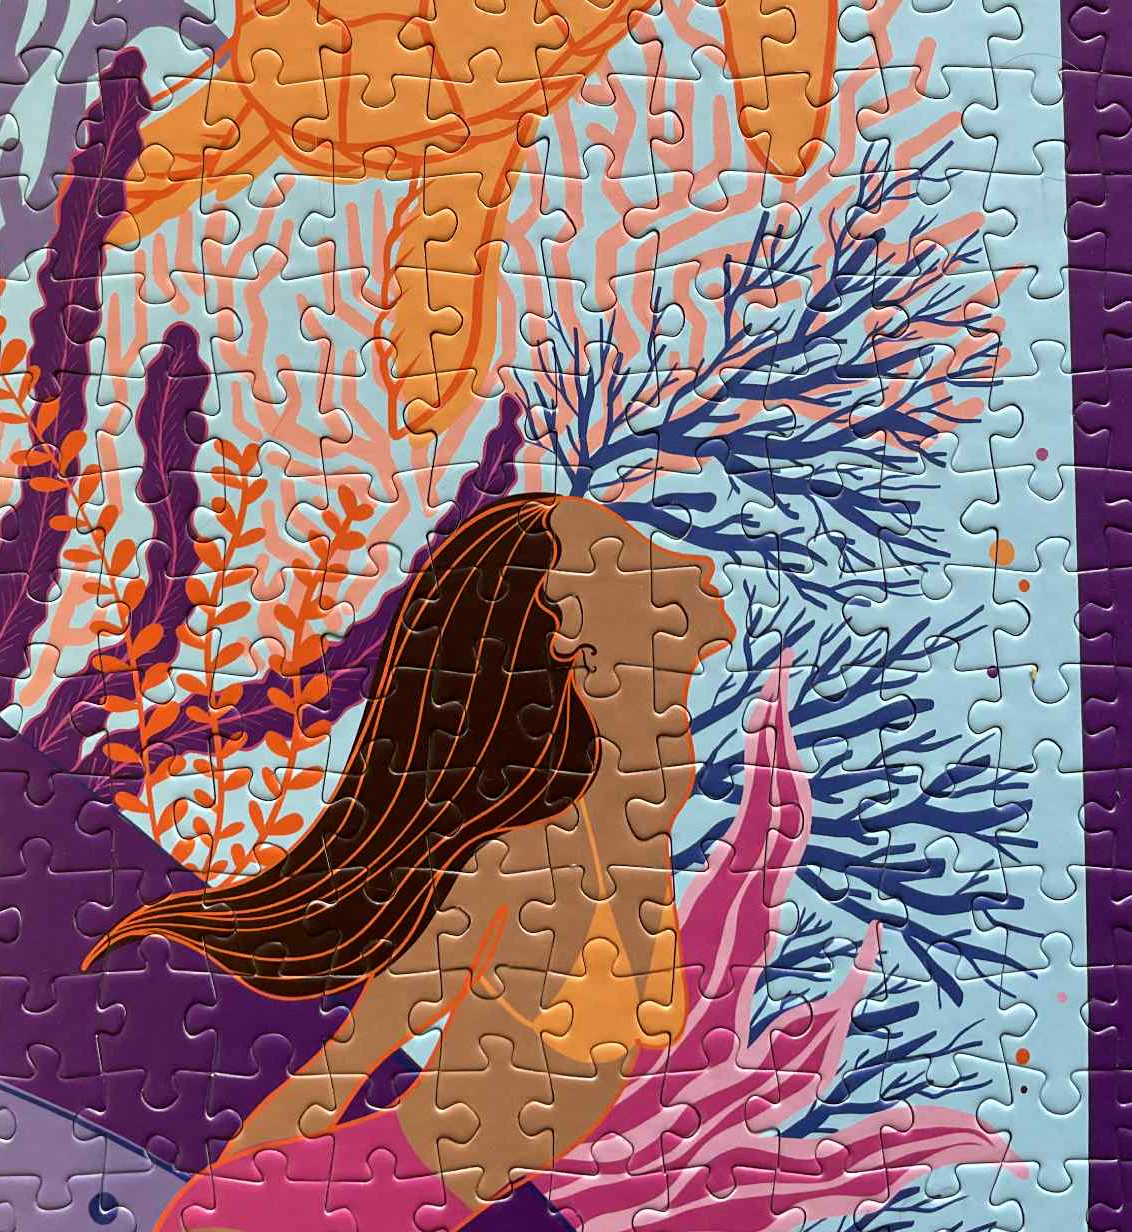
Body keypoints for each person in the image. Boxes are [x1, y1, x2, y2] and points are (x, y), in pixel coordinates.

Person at [84, 493, 734, 1229]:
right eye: (627, 562)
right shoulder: (514, 865)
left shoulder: (629, 843)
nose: (693, 567)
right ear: (574, 647)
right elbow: (341, 1069)